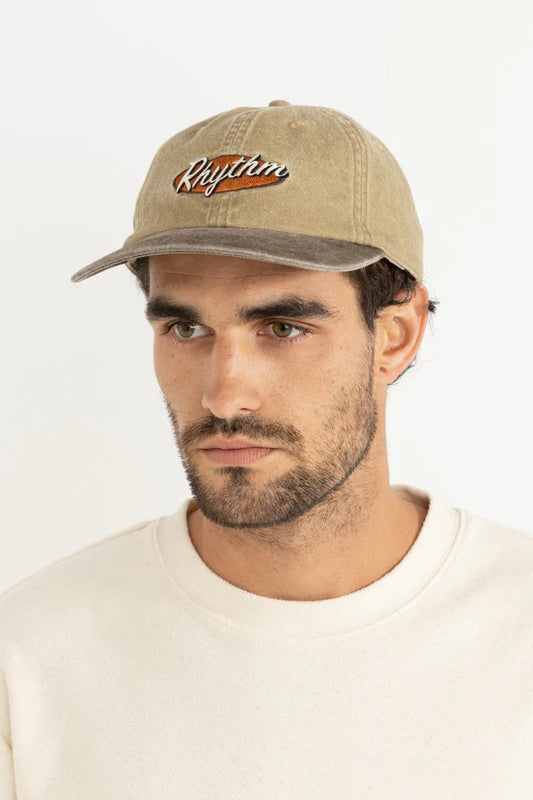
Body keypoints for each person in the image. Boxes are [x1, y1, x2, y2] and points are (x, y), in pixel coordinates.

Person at [1, 100, 531, 798]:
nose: (224, 396)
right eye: (185, 330)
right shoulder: (28, 658)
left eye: (282, 328)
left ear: (396, 336)